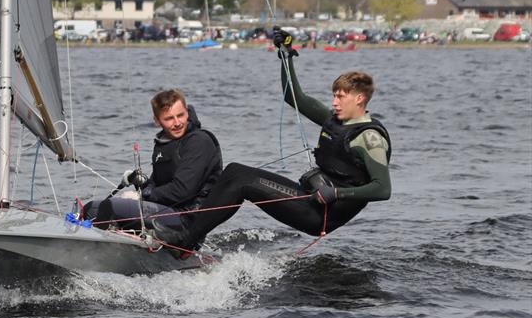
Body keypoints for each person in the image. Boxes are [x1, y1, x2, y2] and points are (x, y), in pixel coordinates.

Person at [157, 29, 391, 251]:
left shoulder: (370, 138)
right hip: (309, 198)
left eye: (341, 97)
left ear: (359, 98)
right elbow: (293, 96)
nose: (334, 102)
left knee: (241, 181)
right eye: (334, 96)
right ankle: (191, 229)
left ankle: (185, 241)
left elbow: (382, 189)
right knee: (235, 171)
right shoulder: (334, 121)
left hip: (321, 215)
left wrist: (338, 194)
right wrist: (286, 55)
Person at [84, 89, 223, 235]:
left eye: (180, 115)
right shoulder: (164, 143)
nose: (177, 123)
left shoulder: (199, 141)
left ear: (187, 112)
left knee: (107, 208)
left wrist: (143, 196)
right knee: (92, 209)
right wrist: (142, 183)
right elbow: (158, 184)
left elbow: (182, 190)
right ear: (157, 121)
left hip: (187, 219)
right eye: (169, 118)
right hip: (167, 211)